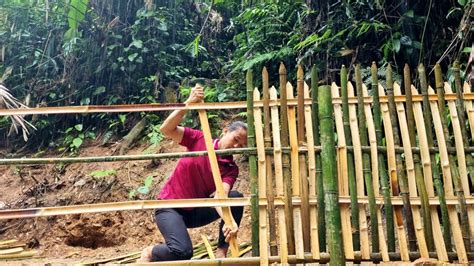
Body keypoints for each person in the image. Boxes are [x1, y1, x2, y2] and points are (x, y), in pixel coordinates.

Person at [139, 84, 248, 262]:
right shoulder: (199, 138)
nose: (236, 147)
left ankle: (221, 253)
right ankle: (151, 252)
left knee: (236, 198)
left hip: (195, 211)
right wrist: (188, 104)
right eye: (235, 140)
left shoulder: (230, 168)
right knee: (182, 252)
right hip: (170, 208)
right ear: (225, 131)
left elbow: (220, 198)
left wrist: (230, 222)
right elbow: (166, 129)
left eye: (241, 145)